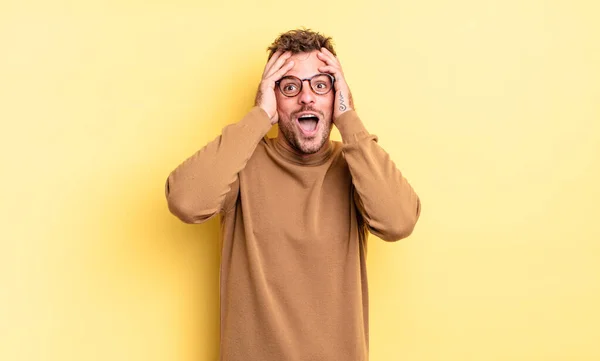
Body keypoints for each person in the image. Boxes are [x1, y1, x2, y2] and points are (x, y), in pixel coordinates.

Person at [165, 29, 421, 361]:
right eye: (290, 87)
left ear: (336, 95)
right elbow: (186, 201)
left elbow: (398, 221)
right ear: (273, 98)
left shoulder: (355, 165)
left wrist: (349, 119)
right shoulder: (241, 162)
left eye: (321, 85)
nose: (307, 98)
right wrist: (257, 118)